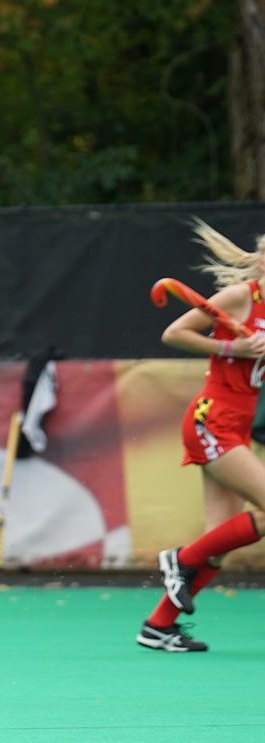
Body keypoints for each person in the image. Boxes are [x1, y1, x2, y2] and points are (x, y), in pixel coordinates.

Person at [139, 220, 265, 652]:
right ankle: (179, 561)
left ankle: (158, 626)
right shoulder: (240, 298)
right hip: (211, 420)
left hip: (239, 425)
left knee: (219, 539)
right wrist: (233, 348)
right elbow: (174, 332)